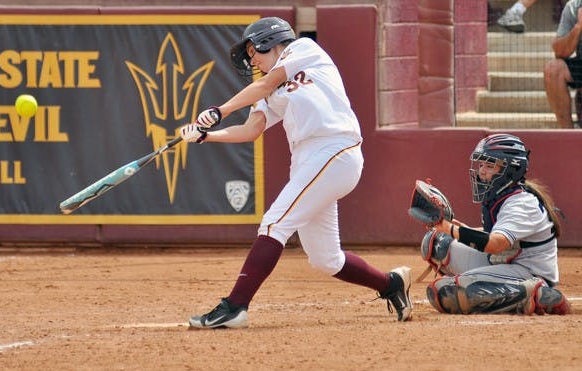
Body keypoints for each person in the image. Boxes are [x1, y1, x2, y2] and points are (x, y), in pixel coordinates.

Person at [178, 17, 413, 329]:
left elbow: (263, 84)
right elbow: (252, 130)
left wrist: (220, 110)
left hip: (335, 148)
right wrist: (208, 136)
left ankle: (235, 306)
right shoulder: (267, 89)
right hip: (307, 160)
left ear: (269, 40)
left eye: (254, 53)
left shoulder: (303, 49)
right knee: (325, 259)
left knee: (275, 223)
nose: (253, 61)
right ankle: (391, 284)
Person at [420, 133, 571, 315]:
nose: (482, 170)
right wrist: (454, 228)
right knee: (436, 242)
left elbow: (495, 244)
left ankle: (538, 294)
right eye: (481, 164)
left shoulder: (521, 203)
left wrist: (449, 228)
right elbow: (492, 235)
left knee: (443, 293)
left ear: (511, 169)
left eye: (490, 165)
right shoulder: (500, 195)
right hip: (503, 260)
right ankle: (488, 282)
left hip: (528, 272)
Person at [544, 0, 582, 128]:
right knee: (553, 69)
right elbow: (560, 52)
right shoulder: (574, 7)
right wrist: (578, 26)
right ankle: (567, 133)